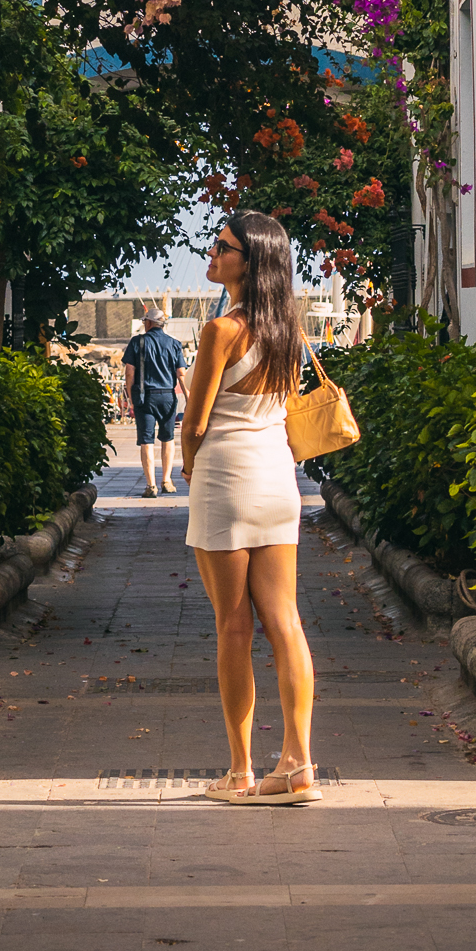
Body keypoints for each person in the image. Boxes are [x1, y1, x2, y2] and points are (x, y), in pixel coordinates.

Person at [182, 211, 319, 806]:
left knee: (234, 627)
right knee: (285, 621)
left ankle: (240, 771)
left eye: (223, 247)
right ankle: (297, 762)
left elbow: (195, 422)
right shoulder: (291, 327)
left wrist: (189, 469)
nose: (211, 254)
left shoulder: (222, 331)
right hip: (276, 480)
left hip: (227, 478)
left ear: (250, 262)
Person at [122, 302, 187, 498]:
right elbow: (181, 374)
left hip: (144, 396)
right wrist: (189, 397)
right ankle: (166, 480)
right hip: (168, 396)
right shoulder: (174, 344)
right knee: (168, 439)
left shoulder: (137, 342)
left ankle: (151, 485)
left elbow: (129, 373)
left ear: (149, 323)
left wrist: (130, 397)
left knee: (146, 441)